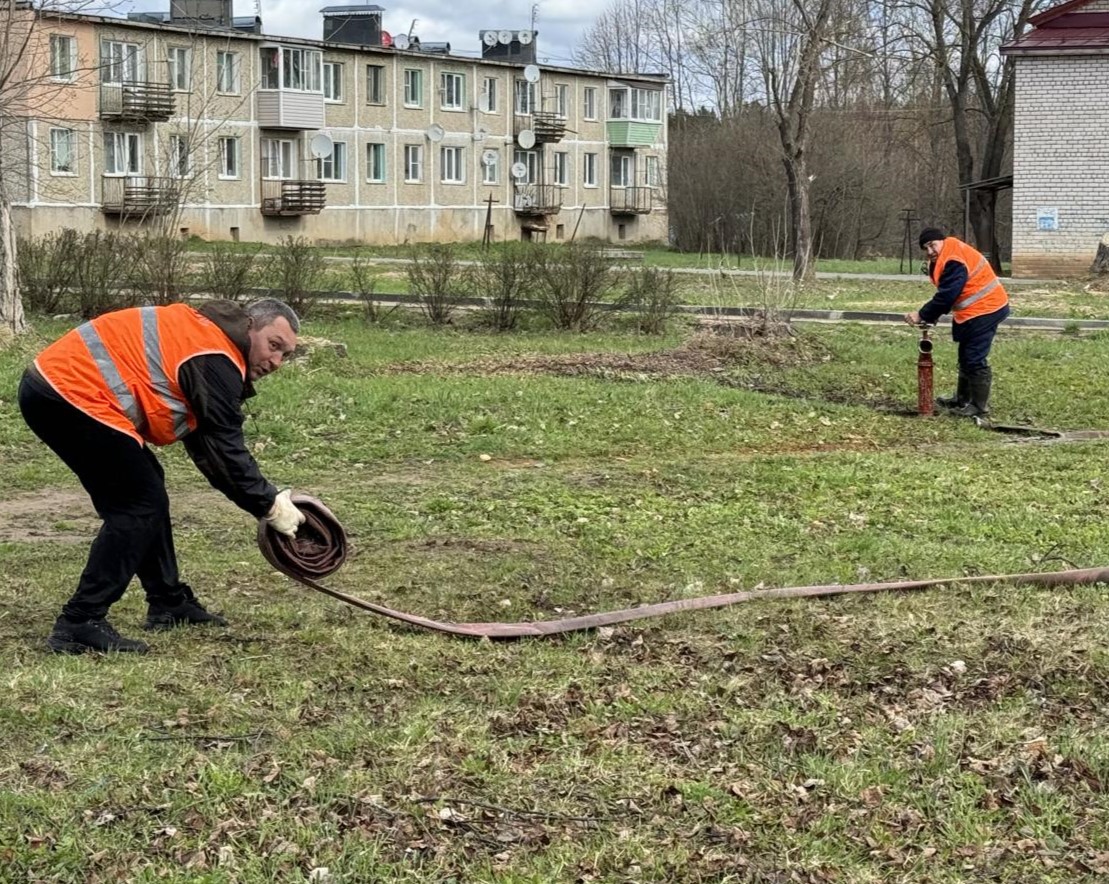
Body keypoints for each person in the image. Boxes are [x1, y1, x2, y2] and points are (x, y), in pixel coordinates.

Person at [18, 298, 308, 655]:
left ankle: (168, 603)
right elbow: (224, 452)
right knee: (138, 505)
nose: (275, 362)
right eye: (273, 345)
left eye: (286, 355)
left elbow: (208, 447)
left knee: (146, 492)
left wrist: (262, 499)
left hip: (57, 388)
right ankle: (80, 621)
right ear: (250, 327)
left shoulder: (208, 339)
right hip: (70, 394)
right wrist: (270, 506)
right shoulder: (213, 357)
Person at [903, 227, 1010, 417]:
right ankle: (962, 399)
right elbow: (951, 295)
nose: (930, 251)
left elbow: (947, 295)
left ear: (941, 241)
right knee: (965, 356)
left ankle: (979, 407)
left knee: (974, 358)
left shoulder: (953, 259)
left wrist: (923, 314)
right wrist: (932, 315)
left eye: (932, 245)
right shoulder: (950, 253)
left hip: (986, 309)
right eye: (925, 248)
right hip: (974, 311)